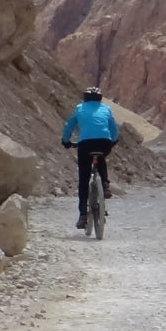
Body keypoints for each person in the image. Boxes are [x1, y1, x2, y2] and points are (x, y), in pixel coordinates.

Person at [61, 87, 119, 229]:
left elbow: (69, 126)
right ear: (100, 99)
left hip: (85, 144)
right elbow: (114, 128)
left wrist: (66, 141)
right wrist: (113, 140)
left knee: (84, 179)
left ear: (85, 98)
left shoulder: (79, 108)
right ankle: (105, 185)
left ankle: (83, 216)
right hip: (104, 143)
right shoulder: (106, 109)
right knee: (101, 157)